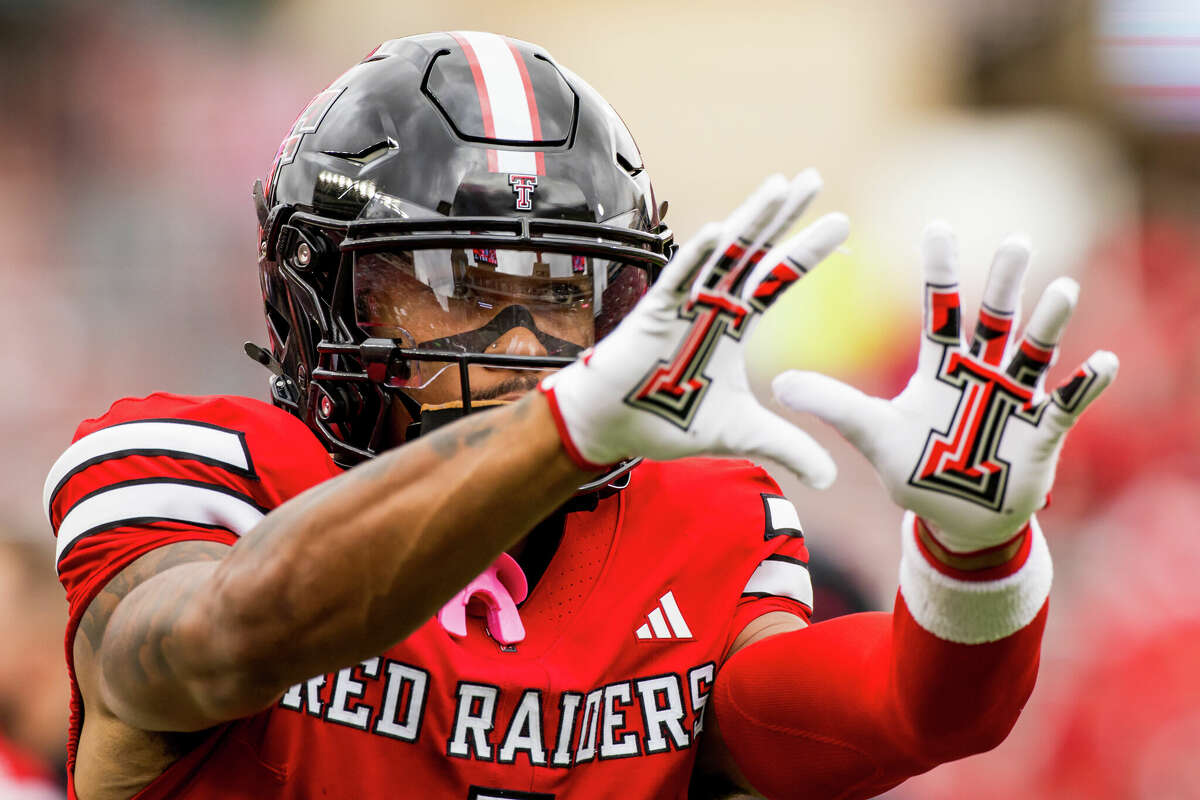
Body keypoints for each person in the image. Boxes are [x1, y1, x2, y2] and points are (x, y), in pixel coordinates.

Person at [43, 32, 1116, 800]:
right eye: (456, 280)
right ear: (314, 289)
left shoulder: (703, 518)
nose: (520, 338)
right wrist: (558, 432)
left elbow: (906, 715)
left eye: (559, 290)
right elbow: (218, 641)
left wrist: (976, 552)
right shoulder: (196, 460)